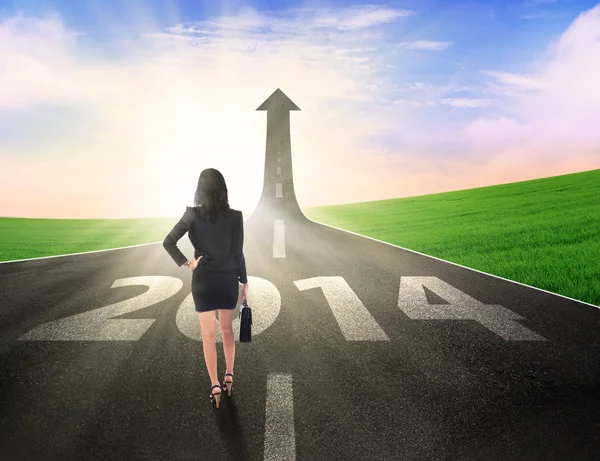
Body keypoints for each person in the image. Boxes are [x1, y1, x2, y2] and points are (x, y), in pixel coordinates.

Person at [163, 168, 249, 409]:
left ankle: (214, 386)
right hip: (227, 279)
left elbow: (168, 242)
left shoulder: (191, 215)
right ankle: (229, 376)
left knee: (208, 336)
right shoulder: (235, 217)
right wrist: (245, 282)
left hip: (203, 280)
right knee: (227, 330)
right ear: (223, 190)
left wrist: (188, 263)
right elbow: (237, 252)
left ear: (199, 190)